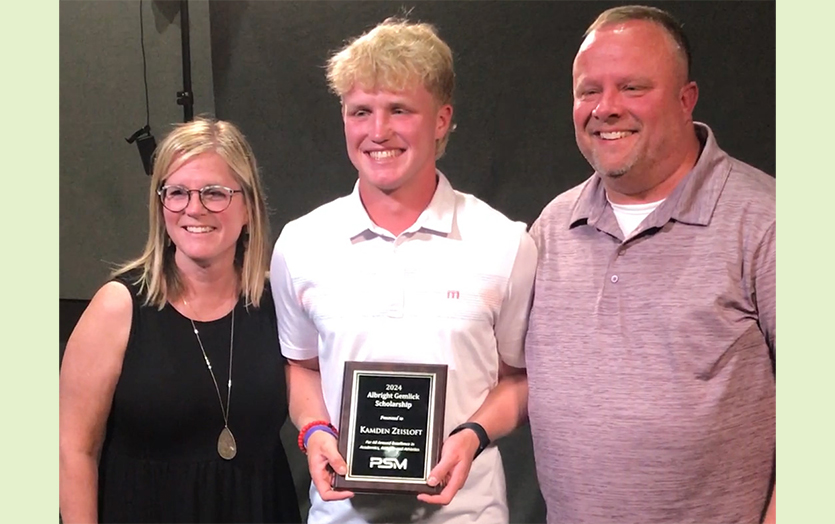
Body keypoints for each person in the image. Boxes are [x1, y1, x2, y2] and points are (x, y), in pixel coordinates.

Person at [270, 17, 537, 524]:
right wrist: (314, 431)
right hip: (340, 516)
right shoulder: (301, 245)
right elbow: (301, 367)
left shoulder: (504, 243)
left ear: (441, 120)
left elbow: (520, 380)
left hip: (467, 515)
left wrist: (472, 435)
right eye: (360, 111)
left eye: (399, 110)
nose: (378, 131)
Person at [525, 5, 775, 524]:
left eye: (633, 88)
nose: (606, 108)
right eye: (589, 91)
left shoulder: (768, 221)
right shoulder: (553, 226)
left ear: (687, 100)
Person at [59, 117, 301, 523]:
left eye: (214, 193)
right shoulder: (117, 308)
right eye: (177, 193)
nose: (194, 208)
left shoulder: (278, 301)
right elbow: (73, 449)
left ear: (248, 207)